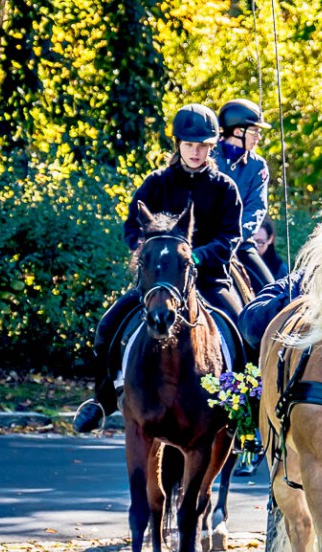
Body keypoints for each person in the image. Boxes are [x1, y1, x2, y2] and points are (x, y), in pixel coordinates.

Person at [73, 104, 243, 432]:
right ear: (178, 144)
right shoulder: (156, 183)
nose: (196, 152)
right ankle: (102, 400)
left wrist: (196, 257)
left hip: (208, 279)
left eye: (203, 146)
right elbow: (131, 228)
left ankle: (245, 410)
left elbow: (230, 237)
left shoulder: (225, 188)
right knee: (107, 326)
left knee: (244, 329)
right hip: (159, 283)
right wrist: (149, 253)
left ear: (212, 147)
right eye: (190, 144)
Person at [212, 98, 275, 293]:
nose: (259, 137)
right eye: (255, 131)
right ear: (238, 131)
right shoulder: (207, 158)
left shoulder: (258, 166)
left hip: (240, 244)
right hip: (202, 241)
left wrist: (235, 236)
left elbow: (256, 209)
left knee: (273, 292)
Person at [253, 216, 288, 281]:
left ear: (270, 239)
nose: (254, 246)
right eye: (250, 241)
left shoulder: (280, 270)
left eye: (260, 242)